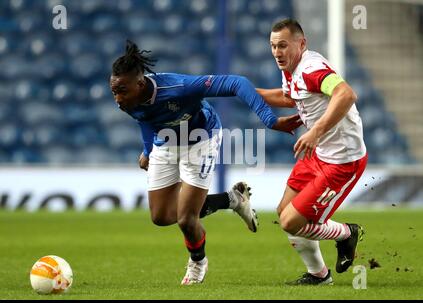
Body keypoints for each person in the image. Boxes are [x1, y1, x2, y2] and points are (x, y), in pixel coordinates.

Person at [110, 40, 301, 285]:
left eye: (121, 91)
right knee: (161, 216)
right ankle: (231, 199)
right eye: (113, 91)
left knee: (186, 220)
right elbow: (145, 118)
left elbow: (237, 83)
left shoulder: (180, 88)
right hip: (165, 144)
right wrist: (148, 150)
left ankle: (197, 263)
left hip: (201, 139)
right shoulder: (128, 100)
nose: (117, 98)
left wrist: (269, 119)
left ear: (140, 83)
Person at [258, 19, 368, 285]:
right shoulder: (291, 69)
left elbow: (346, 94)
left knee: (290, 222)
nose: (277, 52)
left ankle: (346, 233)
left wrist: (315, 131)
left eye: (282, 45)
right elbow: (290, 97)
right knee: (284, 210)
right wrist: (245, 92)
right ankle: (319, 275)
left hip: (342, 160)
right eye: (273, 46)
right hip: (318, 154)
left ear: (301, 43)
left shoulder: (311, 68)